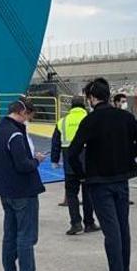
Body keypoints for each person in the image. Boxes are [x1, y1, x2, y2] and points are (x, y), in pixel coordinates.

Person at [68, 78, 137, 271]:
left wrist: (82, 174)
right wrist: (127, 156)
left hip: (99, 181)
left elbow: (73, 152)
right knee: (123, 227)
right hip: (121, 179)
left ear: (92, 98)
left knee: (110, 230)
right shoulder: (124, 116)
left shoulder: (90, 120)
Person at [0, 98, 54, 271]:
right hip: (22, 191)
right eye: (29, 117)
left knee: (10, 235)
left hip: (5, 191)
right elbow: (23, 165)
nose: (29, 121)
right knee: (26, 236)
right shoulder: (16, 134)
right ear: (22, 112)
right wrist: (36, 160)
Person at [51, 97, 99, 235]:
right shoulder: (91, 118)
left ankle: (76, 224)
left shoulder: (62, 121)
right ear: (83, 106)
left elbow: (55, 143)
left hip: (70, 164)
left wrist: (54, 160)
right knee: (88, 194)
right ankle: (89, 223)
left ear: (71, 107)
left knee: (72, 194)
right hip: (88, 164)